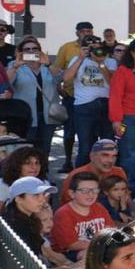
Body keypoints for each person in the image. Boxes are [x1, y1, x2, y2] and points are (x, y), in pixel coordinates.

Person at [4, 176, 84, 269]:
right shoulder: (17, 226)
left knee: (75, 267)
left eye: (43, 194)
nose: (42, 199)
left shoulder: (23, 219)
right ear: (18, 199)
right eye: (36, 195)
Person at [64, 34, 117, 167]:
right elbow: (66, 78)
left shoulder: (110, 61)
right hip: (84, 106)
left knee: (107, 144)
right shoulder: (78, 59)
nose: (95, 50)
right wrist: (80, 58)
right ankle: (81, 178)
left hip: (105, 105)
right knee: (85, 147)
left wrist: (101, 63)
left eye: (97, 46)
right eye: (91, 47)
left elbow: (113, 83)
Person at [8, 36, 62, 154]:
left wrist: (48, 64)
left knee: (45, 147)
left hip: (47, 114)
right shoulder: (15, 65)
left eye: (34, 48)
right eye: (27, 49)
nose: (31, 51)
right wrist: (15, 67)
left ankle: (43, 171)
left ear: (39, 50)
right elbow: (7, 82)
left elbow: (60, 78)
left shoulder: (46, 66)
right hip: (26, 114)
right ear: (21, 51)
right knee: (26, 147)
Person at [54, 21, 96, 172]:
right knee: (69, 132)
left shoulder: (97, 46)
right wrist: (58, 86)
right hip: (71, 95)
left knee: (89, 134)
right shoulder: (67, 48)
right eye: (84, 31)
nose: (87, 34)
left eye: (89, 31)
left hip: (92, 98)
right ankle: (67, 161)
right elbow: (57, 69)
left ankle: (90, 164)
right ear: (77, 33)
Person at [52, 172, 116, 261]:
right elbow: (71, 244)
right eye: (85, 191)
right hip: (71, 253)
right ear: (72, 193)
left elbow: (110, 230)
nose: (91, 194)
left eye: (95, 190)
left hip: (98, 247)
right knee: (88, 254)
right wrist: (101, 245)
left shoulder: (99, 208)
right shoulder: (63, 213)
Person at [62, 138, 126, 205]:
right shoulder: (76, 176)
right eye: (105, 155)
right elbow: (67, 205)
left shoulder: (119, 172)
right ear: (92, 156)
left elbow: (126, 199)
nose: (110, 160)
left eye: (114, 156)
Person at [0, 146, 46, 212]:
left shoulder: (44, 184)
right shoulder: (1, 186)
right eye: (28, 163)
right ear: (16, 165)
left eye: (37, 163)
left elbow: (43, 213)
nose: (34, 167)